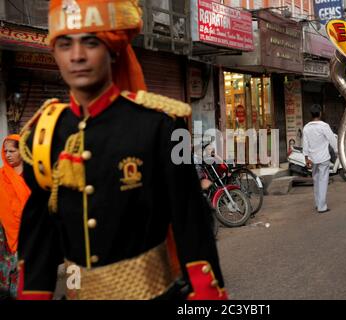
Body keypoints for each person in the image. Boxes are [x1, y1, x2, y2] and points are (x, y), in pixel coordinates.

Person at [17, 0, 227, 300]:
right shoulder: (43, 134)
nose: (77, 56)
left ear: (112, 49)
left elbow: (191, 226)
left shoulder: (160, 125)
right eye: (65, 44)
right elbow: (39, 241)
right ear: (54, 52)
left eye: (90, 42)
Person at [0, 135, 31, 299]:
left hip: (29, 231)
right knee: (6, 275)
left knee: (27, 275)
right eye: (5, 151)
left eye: (12, 150)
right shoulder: (1, 176)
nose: (8, 154)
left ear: (22, 151)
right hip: (4, 235)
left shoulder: (32, 176)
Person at [302, 104, 337, 213]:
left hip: (312, 159)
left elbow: (305, 144)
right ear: (320, 113)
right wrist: (338, 152)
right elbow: (333, 140)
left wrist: (306, 158)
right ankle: (322, 206)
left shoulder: (306, 127)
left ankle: (318, 203)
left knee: (316, 181)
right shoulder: (324, 126)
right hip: (323, 158)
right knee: (322, 181)